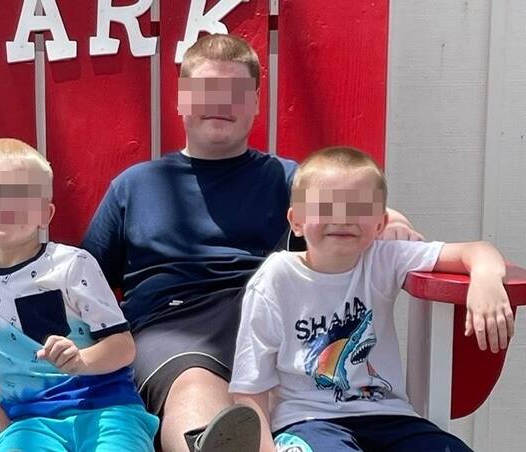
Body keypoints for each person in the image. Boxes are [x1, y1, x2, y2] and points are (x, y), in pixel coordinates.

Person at [81, 34, 424, 452]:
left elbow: (357, 210)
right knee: (194, 381)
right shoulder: (135, 186)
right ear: (181, 100)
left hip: (273, 319)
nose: (220, 103)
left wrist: (395, 224)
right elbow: (82, 285)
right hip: (173, 323)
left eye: (236, 91)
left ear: (256, 103)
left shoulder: (287, 179)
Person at [229, 146, 515, 452]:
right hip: (307, 420)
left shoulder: (383, 259)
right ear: (296, 221)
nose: (342, 218)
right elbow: (249, 386)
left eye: (358, 207)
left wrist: (485, 276)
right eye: (326, 206)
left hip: (389, 416)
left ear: (380, 223)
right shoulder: (276, 279)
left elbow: (476, 250)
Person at [0, 138, 158, 452]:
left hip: (108, 410)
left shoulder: (73, 265)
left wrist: (81, 361)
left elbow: (123, 347)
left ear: (45, 214)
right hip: (31, 423)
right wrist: (6, 433)